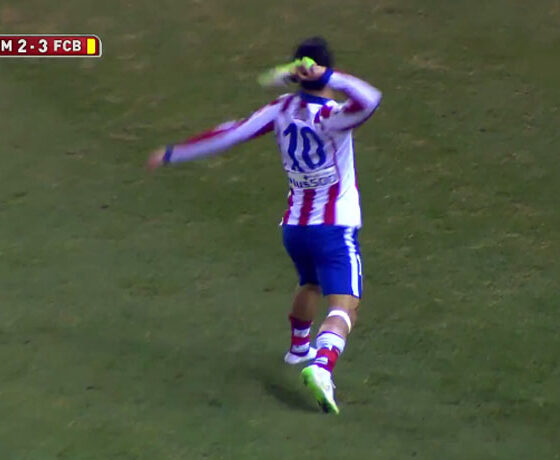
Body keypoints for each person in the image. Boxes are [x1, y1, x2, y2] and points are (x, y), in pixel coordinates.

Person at [148, 37, 382, 414]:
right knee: (345, 307)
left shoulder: (280, 109)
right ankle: (322, 367)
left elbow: (230, 134)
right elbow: (370, 99)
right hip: (334, 228)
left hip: (295, 228)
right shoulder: (334, 117)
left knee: (309, 282)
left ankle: (298, 350)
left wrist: (174, 153)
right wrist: (333, 77)